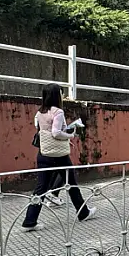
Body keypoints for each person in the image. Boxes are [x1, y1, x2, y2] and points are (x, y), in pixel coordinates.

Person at [21, 83, 91, 230]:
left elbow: (42, 130)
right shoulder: (58, 112)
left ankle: (29, 221)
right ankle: (83, 212)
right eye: (61, 93)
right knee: (71, 183)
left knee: (40, 188)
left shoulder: (39, 112)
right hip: (58, 155)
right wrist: (70, 135)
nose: (62, 96)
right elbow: (56, 133)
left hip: (43, 153)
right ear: (55, 95)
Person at [34, 112, 64, 207]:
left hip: (43, 149)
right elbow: (56, 133)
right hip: (52, 149)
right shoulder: (56, 113)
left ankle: (51, 197)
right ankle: (53, 195)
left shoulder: (39, 114)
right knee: (65, 171)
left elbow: (37, 127)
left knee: (43, 183)